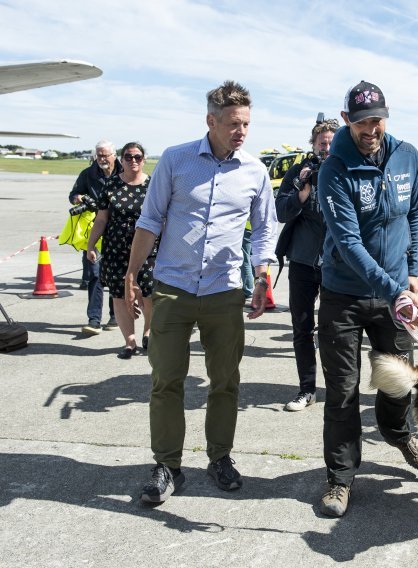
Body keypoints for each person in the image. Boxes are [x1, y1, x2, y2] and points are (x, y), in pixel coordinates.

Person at [126, 81, 278, 504]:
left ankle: (220, 457)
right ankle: (168, 465)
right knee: (166, 380)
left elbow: (265, 226)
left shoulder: (254, 171)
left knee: (225, 381)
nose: (241, 131)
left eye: (246, 123)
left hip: (224, 291)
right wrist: (133, 273)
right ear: (211, 120)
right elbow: (151, 218)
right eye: (233, 123)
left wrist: (262, 273)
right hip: (173, 289)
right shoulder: (176, 160)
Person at [315, 80, 418, 517]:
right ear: (347, 121)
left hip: (395, 292)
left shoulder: (408, 156)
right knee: (342, 391)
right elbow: (347, 242)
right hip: (345, 293)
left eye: (377, 120)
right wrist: (393, 288)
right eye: (361, 122)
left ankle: (398, 434)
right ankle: (340, 477)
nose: (370, 129)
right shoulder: (333, 168)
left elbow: (414, 211)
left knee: (399, 382)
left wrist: (413, 269)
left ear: (386, 115)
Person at [275, 115, 338, 412]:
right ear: (312, 145)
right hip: (302, 261)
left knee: (334, 330)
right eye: (321, 142)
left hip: (337, 265)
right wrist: (301, 194)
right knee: (302, 328)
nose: (326, 147)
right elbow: (281, 212)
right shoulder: (299, 174)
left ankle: (337, 388)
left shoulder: (345, 171)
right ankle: (306, 389)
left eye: (331, 142)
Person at [86, 142, 156, 359]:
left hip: (147, 249)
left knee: (148, 293)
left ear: (144, 159)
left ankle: (148, 331)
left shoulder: (153, 185)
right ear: (121, 160)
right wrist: (91, 245)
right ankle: (129, 341)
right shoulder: (111, 185)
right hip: (116, 249)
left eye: (137, 157)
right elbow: (101, 218)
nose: (133, 161)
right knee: (118, 294)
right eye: (128, 157)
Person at [69, 140, 122, 335]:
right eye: (98, 155)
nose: (101, 159)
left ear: (113, 155)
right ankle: (94, 319)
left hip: (118, 233)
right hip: (95, 232)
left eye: (105, 155)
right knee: (95, 275)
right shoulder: (88, 174)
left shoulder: (124, 171)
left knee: (115, 276)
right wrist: (80, 198)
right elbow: (73, 195)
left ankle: (115, 315)